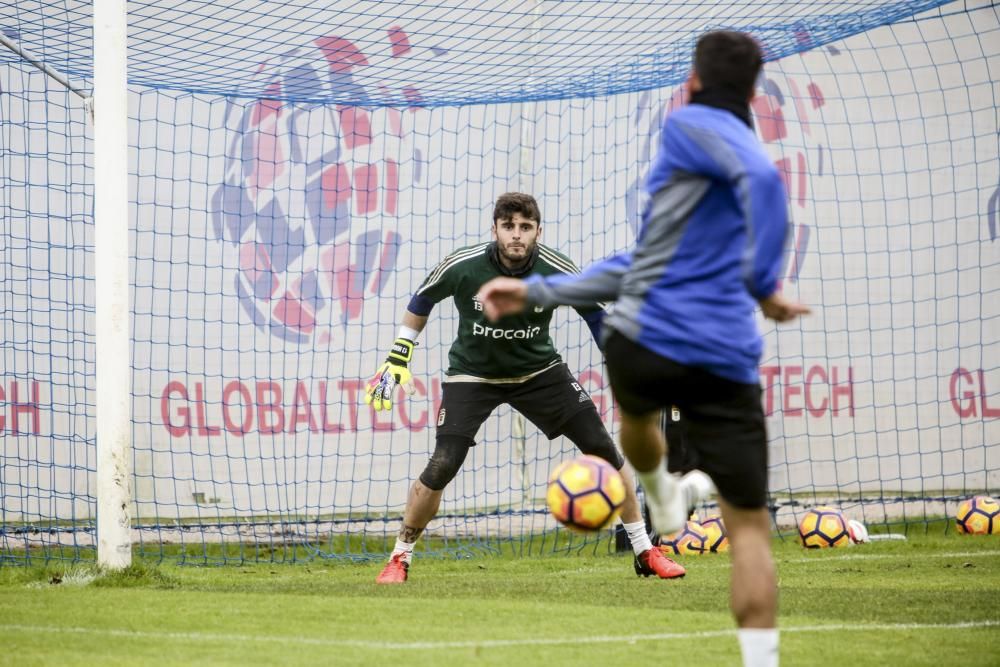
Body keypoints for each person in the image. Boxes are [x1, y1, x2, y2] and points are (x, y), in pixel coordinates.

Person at [476, 31, 809, 667]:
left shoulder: (684, 130)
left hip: (646, 339)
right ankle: (665, 501)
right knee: (750, 538)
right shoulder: (727, 168)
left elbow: (744, 191)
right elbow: (737, 198)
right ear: (753, 92)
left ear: (692, 86)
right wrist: (765, 287)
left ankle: (658, 487)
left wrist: (538, 290)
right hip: (724, 356)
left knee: (632, 410)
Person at [366, 192, 697, 584]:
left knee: (605, 451)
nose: (517, 235)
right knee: (443, 464)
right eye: (509, 227)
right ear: (495, 230)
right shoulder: (463, 265)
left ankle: (645, 550)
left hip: (539, 373)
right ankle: (400, 558)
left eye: (525, 227)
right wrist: (399, 355)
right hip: (473, 375)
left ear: (538, 231)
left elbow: (594, 315)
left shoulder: (555, 267)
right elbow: (422, 299)